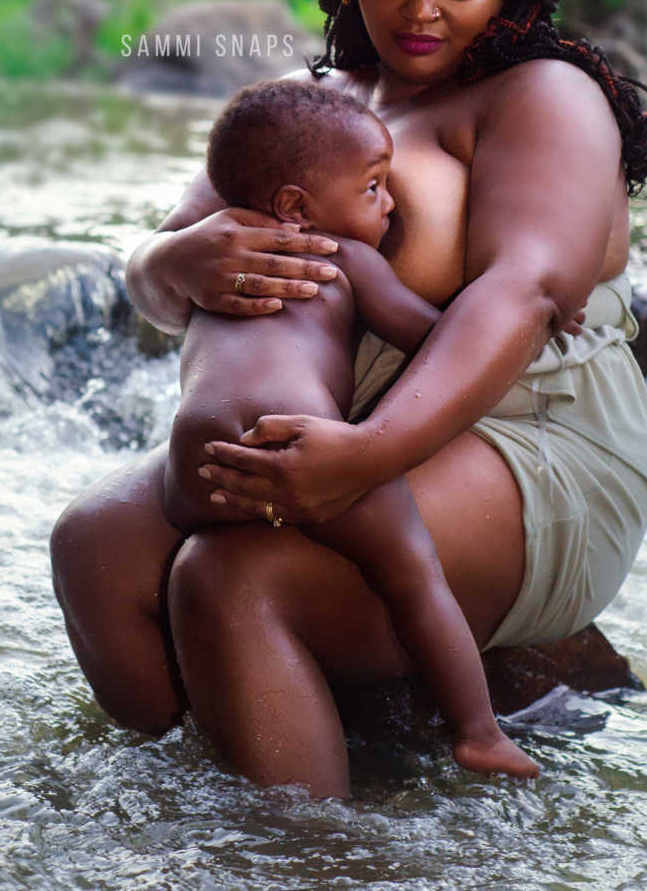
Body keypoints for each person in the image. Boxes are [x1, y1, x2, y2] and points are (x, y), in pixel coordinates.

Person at [51, 0, 647, 799]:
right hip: (341, 423)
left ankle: (315, 857)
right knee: (93, 544)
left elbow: (525, 291)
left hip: (530, 436)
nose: (418, 13)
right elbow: (154, 280)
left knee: (231, 578)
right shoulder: (319, 100)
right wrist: (176, 255)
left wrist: (372, 453)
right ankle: (193, 798)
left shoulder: (543, 96)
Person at [165, 78, 538, 778]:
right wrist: (532, 326)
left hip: (195, 456)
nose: (391, 204)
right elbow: (431, 337)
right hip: (298, 431)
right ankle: (478, 730)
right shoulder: (346, 259)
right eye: (373, 188)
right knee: (413, 571)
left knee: (221, 552)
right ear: (296, 208)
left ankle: (180, 740)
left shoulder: (218, 262)